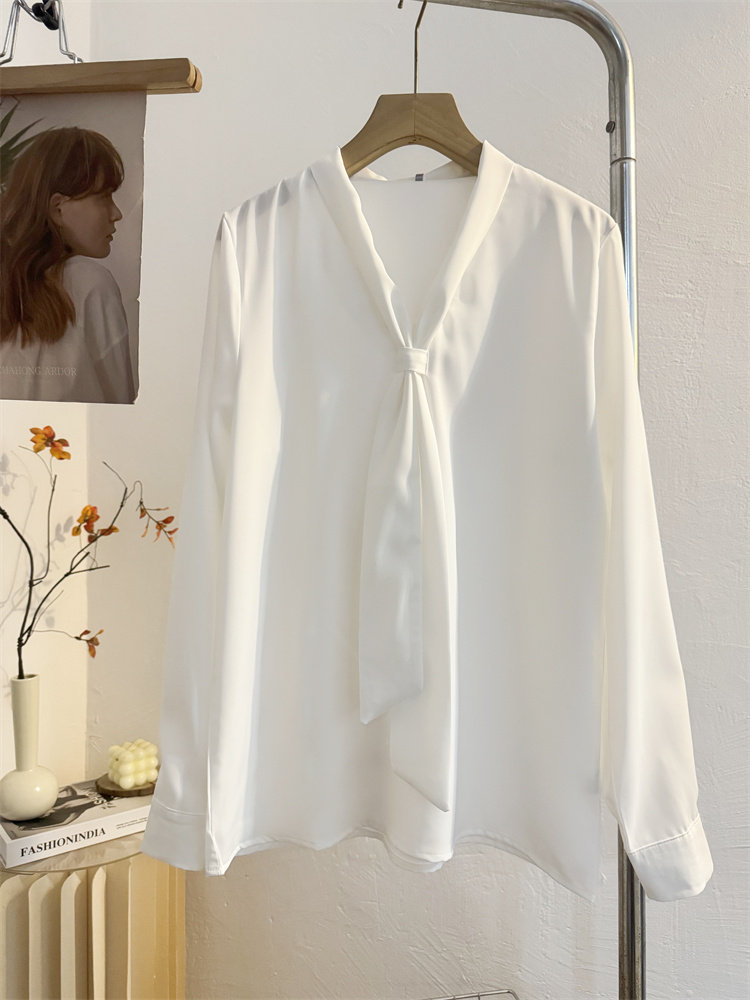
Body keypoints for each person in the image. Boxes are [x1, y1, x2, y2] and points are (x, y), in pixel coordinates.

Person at [0, 126, 137, 403]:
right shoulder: (91, 283)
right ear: (58, 209)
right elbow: (119, 406)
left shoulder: (8, 289)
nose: (117, 213)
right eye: (104, 196)